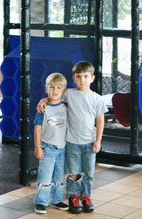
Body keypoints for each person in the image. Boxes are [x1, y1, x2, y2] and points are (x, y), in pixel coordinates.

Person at [37, 60, 108, 214]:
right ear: (74, 78)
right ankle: (73, 196)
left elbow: (100, 119)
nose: (82, 80)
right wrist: (43, 100)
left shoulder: (97, 99)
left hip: (89, 142)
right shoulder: (69, 93)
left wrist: (98, 140)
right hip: (72, 143)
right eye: (78, 76)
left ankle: (86, 196)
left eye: (85, 76)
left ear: (92, 78)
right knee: (73, 172)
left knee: (88, 172)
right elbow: (54, 97)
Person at [33, 72, 69, 214]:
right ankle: (41, 202)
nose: (55, 91)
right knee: (45, 177)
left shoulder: (66, 106)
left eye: (59, 88)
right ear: (46, 89)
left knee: (59, 177)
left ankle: (56, 199)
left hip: (62, 148)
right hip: (47, 148)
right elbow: (37, 128)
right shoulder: (43, 108)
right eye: (51, 87)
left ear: (64, 91)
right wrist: (37, 147)